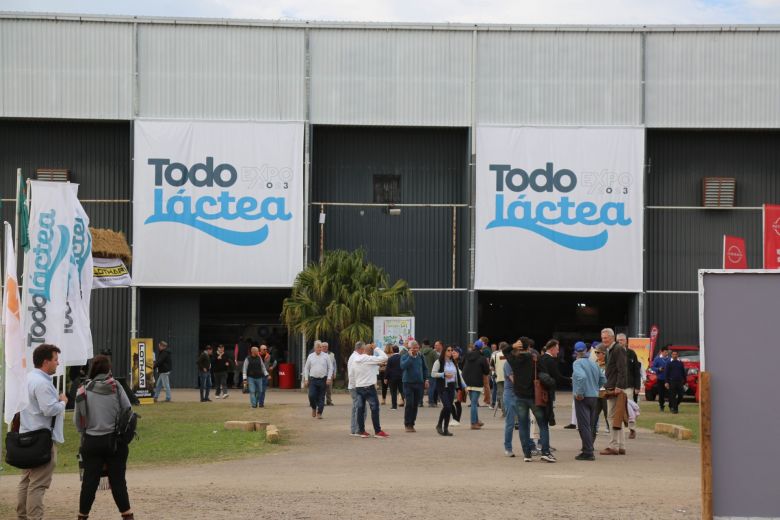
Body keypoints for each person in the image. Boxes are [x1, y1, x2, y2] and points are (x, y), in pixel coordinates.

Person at [74, 354, 134, 520]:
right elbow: (128, 410)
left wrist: (86, 431)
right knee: (118, 482)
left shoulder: (82, 389)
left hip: (91, 442)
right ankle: (127, 515)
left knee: (89, 483)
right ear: (108, 369)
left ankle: (82, 516)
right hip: (114, 442)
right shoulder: (116, 386)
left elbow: (77, 421)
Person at [16, 344, 68, 520]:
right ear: (46, 362)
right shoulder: (42, 383)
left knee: (26, 481)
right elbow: (49, 409)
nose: (57, 363)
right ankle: (34, 517)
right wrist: (62, 402)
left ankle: (22, 516)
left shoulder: (28, 378)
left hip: (26, 436)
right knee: (38, 484)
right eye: (55, 359)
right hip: (41, 439)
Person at [503, 339, 555, 462]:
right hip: (534, 397)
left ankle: (527, 454)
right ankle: (545, 452)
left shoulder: (514, 360)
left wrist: (512, 345)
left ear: (519, 347)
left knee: (523, 425)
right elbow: (545, 375)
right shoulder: (535, 359)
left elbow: (505, 351)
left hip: (519, 397)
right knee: (542, 424)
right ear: (529, 347)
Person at [572, 342, 605, 461]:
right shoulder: (593, 363)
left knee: (583, 425)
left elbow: (581, 377)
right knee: (590, 424)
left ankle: (588, 451)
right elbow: (603, 379)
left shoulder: (577, 363)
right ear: (586, 350)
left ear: (576, 352)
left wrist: (580, 392)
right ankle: (588, 447)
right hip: (594, 396)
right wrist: (595, 388)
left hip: (583, 397)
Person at [352, 341, 389, 438]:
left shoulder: (355, 358)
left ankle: (361, 431)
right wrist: (376, 348)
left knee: (360, 409)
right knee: (375, 408)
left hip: (359, 386)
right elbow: (385, 357)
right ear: (364, 350)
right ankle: (378, 431)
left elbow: (353, 373)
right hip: (369, 387)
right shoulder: (367, 358)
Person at [600, 328, 628, 456]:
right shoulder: (610, 350)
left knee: (611, 417)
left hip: (615, 388)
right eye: (602, 338)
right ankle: (621, 446)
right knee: (617, 417)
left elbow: (622, 369)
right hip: (611, 387)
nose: (604, 340)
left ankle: (613, 446)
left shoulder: (617, 349)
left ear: (612, 337)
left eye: (605, 338)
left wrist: (619, 386)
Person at [430, 345, 466, 436]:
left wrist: (464, 386)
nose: (451, 352)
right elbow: (433, 374)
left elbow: (458, 375)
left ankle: (445, 428)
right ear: (444, 352)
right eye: (448, 350)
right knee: (448, 407)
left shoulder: (453, 362)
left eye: (451, 350)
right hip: (442, 386)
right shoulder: (439, 362)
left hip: (451, 386)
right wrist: (443, 374)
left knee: (448, 407)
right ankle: (439, 425)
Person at [538, 339, 571, 427]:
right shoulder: (551, 361)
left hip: (538, 392)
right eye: (557, 349)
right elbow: (557, 377)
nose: (558, 351)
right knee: (546, 418)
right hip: (547, 392)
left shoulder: (540, 358)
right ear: (552, 349)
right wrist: (570, 380)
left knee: (540, 417)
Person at [399, 340, 429, 432]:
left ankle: (412, 423)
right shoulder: (404, 356)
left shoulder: (421, 356)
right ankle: (407, 424)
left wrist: (426, 379)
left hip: (419, 383)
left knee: (416, 404)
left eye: (417, 348)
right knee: (410, 403)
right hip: (408, 383)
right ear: (409, 348)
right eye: (413, 348)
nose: (416, 349)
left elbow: (425, 368)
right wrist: (410, 357)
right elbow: (403, 366)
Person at [462, 343, 490, 430]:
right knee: (474, 403)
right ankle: (473, 423)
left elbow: (462, 365)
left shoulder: (467, 355)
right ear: (481, 348)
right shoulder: (482, 358)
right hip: (477, 382)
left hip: (466, 381)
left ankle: (477, 420)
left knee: (473, 402)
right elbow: (486, 371)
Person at [303, 341, 333, 418]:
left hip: (323, 379)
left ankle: (319, 412)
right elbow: (306, 368)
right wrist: (306, 379)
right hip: (313, 380)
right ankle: (313, 407)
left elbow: (330, 368)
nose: (319, 349)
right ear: (314, 348)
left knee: (321, 397)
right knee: (311, 395)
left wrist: (329, 378)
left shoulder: (326, 356)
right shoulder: (310, 356)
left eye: (320, 347)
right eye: (318, 347)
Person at [347, 342, 365, 435]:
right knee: (360, 408)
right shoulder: (355, 357)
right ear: (359, 349)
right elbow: (351, 373)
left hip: (354, 386)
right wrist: (355, 386)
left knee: (356, 407)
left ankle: (354, 429)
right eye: (363, 349)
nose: (364, 351)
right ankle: (358, 429)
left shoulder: (354, 356)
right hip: (356, 386)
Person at [619, 333, 642, 403]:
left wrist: (637, 386)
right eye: (618, 340)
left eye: (622, 340)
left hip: (629, 386)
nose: (620, 342)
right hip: (617, 386)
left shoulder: (632, 353)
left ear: (626, 341)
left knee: (629, 406)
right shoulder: (612, 353)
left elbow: (636, 371)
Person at [593, 344, 610, 436]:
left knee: (607, 412)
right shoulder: (594, 364)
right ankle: (594, 428)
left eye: (598, 352)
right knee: (594, 412)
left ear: (604, 354)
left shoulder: (608, 365)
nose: (596, 354)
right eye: (596, 352)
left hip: (605, 392)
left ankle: (610, 427)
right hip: (596, 392)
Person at [665, 350, 687, 414]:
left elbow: (683, 373)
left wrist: (685, 381)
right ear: (671, 355)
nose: (674, 355)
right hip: (672, 381)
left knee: (681, 395)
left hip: (680, 381)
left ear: (677, 355)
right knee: (673, 396)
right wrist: (666, 382)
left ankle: (673, 405)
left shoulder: (680, 363)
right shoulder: (669, 363)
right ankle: (675, 409)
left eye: (676, 354)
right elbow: (666, 373)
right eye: (673, 354)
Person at [383, 345, 404, 409]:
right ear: (398, 350)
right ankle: (407, 403)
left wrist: (385, 378)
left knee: (393, 392)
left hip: (392, 378)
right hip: (401, 377)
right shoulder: (402, 357)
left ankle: (394, 406)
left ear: (392, 350)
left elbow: (388, 369)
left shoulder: (390, 359)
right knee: (402, 391)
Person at [420, 340, 439, 407]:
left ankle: (420, 403)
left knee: (421, 388)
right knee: (431, 388)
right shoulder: (433, 352)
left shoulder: (420, 352)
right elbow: (438, 361)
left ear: (423, 344)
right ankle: (431, 402)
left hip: (422, 372)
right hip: (431, 372)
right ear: (429, 344)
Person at [490, 345, 508, 416]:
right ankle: (510, 411)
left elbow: (491, 367)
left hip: (499, 378)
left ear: (499, 348)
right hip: (509, 378)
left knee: (501, 395)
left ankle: (504, 412)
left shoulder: (495, 355)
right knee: (509, 395)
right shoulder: (509, 354)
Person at [652, 346, 671, 411]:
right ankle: (661, 406)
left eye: (667, 352)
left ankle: (671, 406)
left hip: (668, 379)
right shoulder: (657, 359)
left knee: (670, 393)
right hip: (660, 378)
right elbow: (653, 367)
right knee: (661, 393)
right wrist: (658, 369)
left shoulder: (670, 359)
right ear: (661, 352)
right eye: (665, 352)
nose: (666, 353)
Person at [322, 342, 336, 406]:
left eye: (326, 346)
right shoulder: (319, 354)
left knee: (329, 389)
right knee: (322, 389)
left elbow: (334, 365)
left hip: (329, 375)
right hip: (321, 375)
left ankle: (329, 401)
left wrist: (334, 373)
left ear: (328, 347)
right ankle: (322, 402)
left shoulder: (332, 354)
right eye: (323, 346)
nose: (324, 347)